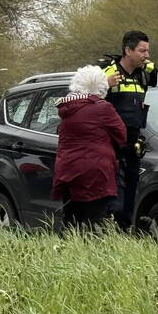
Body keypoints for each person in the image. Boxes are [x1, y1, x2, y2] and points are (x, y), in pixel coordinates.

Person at [51, 65, 126, 233]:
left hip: (68, 170)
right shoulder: (103, 108)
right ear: (102, 86)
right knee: (96, 221)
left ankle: (70, 247)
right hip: (95, 171)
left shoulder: (67, 107)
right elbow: (121, 135)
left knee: (71, 220)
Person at [98, 31, 157, 230]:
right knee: (112, 195)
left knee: (130, 193)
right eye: (142, 51)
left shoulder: (144, 74)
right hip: (109, 145)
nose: (146, 55)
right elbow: (84, 97)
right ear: (127, 50)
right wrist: (104, 84)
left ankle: (125, 231)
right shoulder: (106, 71)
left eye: (147, 51)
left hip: (133, 144)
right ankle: (107, 230)